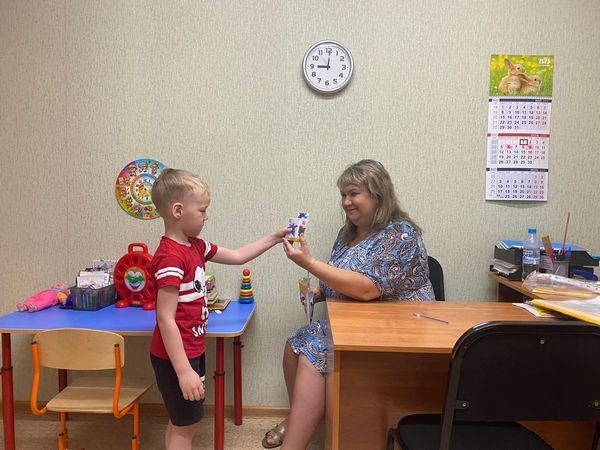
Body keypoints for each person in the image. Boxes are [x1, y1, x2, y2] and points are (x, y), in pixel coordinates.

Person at [262, 159, 435, 449]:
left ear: (377, 194)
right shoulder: (347, 234)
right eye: (343, 194)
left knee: (315, 350)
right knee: (295, 343)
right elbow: (342, 277)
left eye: (354, 193)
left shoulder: (400, 234)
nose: (346, 202)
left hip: (401, 326)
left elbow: (367, 289)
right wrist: (320, 291)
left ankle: (294, 443)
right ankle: (298, 419)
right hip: (359, 320)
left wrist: (310, 263)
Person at [149, 168, 288, 450]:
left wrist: (273, 238)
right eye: (202, 210)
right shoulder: (170, 258)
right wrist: (183, 371)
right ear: (178, 211)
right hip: (176, 357)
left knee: (181, 423)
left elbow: (237, 256)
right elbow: (165, 318)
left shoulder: (196, 246)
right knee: (185, 427)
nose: (206, 216)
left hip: (191, 350)